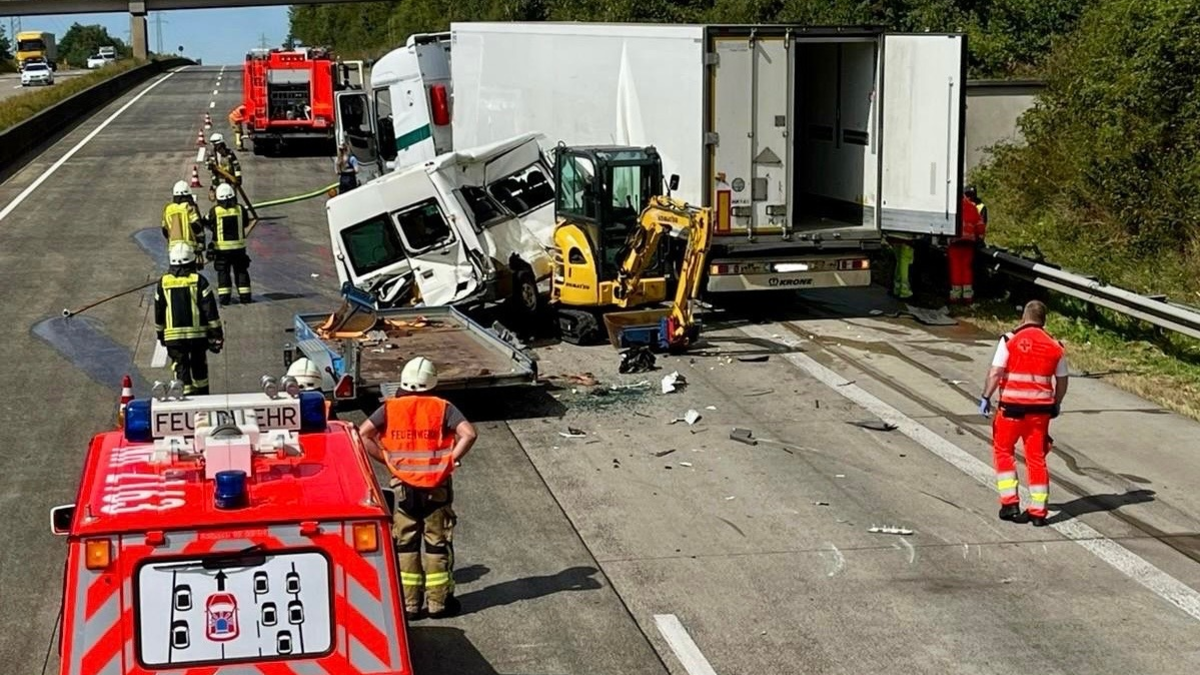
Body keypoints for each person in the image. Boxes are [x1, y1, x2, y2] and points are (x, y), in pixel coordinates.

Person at [357, 357, 478, 620]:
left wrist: (388, 460)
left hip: (404, 489)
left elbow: (363, 434)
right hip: (437, 487)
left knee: (406, 545)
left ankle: (410, 606)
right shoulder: (443, 407)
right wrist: (450, 460)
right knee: (436, 543)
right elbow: (468, 433)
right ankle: (438, 604)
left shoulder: (390, 408)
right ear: (432, 382)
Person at [979, 300, 1068, 527]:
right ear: (1043, 321)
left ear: (1024, 318)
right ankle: (1038, 511)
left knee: (1003, 451)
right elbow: (1062, 380)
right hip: (1040, 412)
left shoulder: (1010, 340)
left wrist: (986, 396)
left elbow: (996, 371)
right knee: (1036, 458)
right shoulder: (1055, 345)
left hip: (1011, 409)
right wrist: (1056, 403)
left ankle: (1009, 503)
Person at [154, 242, 223, 395]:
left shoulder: (163, 283)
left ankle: (185, 401)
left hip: (174, 338)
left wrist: (160, 334)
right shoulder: (199, 281)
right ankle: (203, 399)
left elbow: (159, 311)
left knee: (180, 368)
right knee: (199, 368)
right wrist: (217, 333)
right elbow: (210, 310)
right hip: (197, 337)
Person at [204, 183, 253, 304]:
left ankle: (225, 298)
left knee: (223, 272)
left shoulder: (215, 211)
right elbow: (246, 223)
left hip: (222, 250)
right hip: (239, 249)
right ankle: (245, 296)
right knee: (241, 271)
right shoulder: (240, 209)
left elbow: (205, 221)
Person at [948, 191, 986, 304]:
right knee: (966, 267)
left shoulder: (952, 206)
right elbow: (980, 226)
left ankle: (956, 294)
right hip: (969, 242)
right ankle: (967, 295)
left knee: (956, 267)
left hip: (955, 241)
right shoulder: (972, 206)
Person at [162, 181, 206, 268]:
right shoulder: (189, 208)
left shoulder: (168, 209)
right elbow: (197, 227)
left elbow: (164, 230)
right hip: (189, 247)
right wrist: (200, 246)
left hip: (173, 248)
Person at [206, 132, 243, 201]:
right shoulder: (211, 154)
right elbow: (207, 165)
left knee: (232, 198)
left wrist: (238, 178)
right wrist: (211, 166)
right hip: (218, 180)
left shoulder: (229, 153)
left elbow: (236, 165)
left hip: (230, 180)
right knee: (220, 199)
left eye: (217, 145)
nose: (216, 147)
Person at [888, 233, 916, 299]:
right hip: (906, 238)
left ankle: (897, 288)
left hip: (893, 236)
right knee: (905, 263)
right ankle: (905, 291)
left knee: (899, 262)